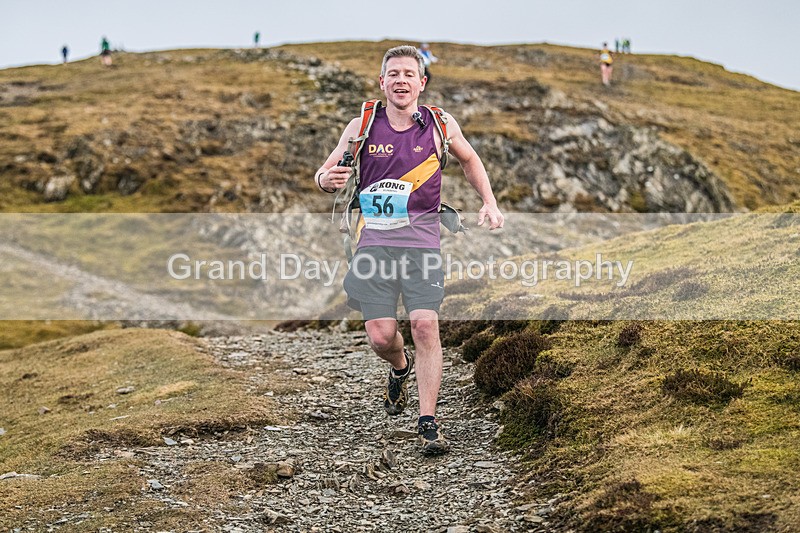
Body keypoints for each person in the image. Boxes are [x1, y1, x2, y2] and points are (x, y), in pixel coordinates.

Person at [314, 45, 504, 456]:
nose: (401, 80)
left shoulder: (439, 124)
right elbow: (325, 173)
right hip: (374, 245)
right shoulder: (363, 124)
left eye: (408, 74)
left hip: (421, 243)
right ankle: (401, 368)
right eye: (393, 74)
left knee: (424, 324)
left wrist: (488, 201)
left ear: (422, 82)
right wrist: (327, 180)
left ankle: (428, 421)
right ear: (382, 82)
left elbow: (471, 160)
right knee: (382, 337)